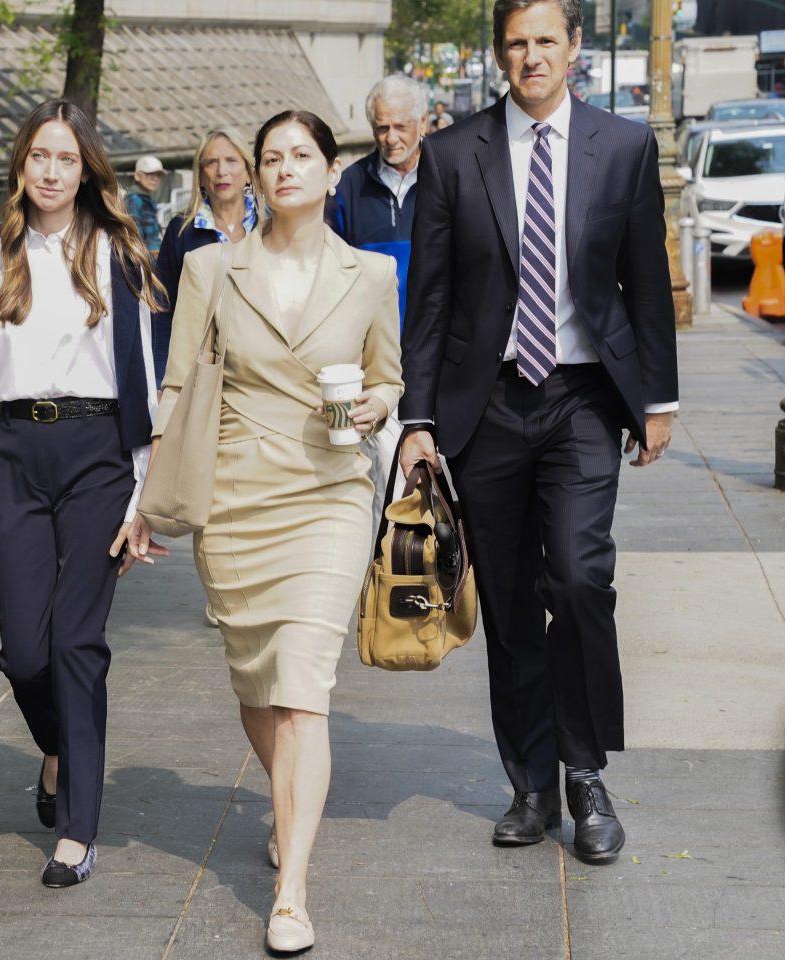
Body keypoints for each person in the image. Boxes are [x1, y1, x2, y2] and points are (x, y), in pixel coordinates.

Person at [400, 0, 678, 867]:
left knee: (583, 577)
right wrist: (417, 419)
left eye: (545, 40)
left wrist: (657, 399)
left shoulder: (623, 147)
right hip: (486, 406)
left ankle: (585, 773)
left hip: (585, 398)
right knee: (514, 600)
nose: (531, 56)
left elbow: (643, 277)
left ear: (573, 48)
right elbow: (432, 300)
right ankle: (529, 783)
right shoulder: (453, 155)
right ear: (499, 53)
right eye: (516, 43)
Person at [129, 110, 402, 955]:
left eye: (302, 156)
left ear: (330, 171)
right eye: (271, 158)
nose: (285, 169)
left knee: (303, 692)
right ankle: (290, 806)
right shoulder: (212, 268)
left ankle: (291, 892)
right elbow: (175, 388)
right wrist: (144, 495)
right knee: (260, 688)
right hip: (238, 497)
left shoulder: (370, 275)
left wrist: (378, 402)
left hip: (328, 491)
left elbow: (390, 376)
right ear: (253, 174)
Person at [0, 99, 164, 889]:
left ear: (86, 169)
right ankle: (60, 747)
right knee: (23, 652)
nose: (51, 171)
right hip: (13, 456)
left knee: (76, 642)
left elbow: (146, 385)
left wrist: (144, 500)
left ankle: (77, 830)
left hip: (98, 455)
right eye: (39, 156)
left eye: (66, 158)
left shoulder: (119, 256)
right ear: (20, 164)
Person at [332, 73, 430, 526]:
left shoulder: (445, 179)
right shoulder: (349, 187)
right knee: (383, 486)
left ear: (423, 123)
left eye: (400, 127)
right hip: (374, 362)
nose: (390, 138)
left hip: (434, 353)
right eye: (381, 128)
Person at [153, 128, 259, 389]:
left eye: (232, 161)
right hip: (198, 371)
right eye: (211, 162)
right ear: (200, 176)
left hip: (260, 370)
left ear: (248, 173)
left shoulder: (268, 228)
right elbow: (163, 309)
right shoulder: (181, 231)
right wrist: (160, 381)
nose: (221, 171)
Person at [125, 154, 165, 256]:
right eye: (150, 174)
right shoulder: (134, 200)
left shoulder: (147, 199)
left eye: (158, 175)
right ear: (137, 176)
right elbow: (135, 235)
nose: (155, 178)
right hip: (146, 258)